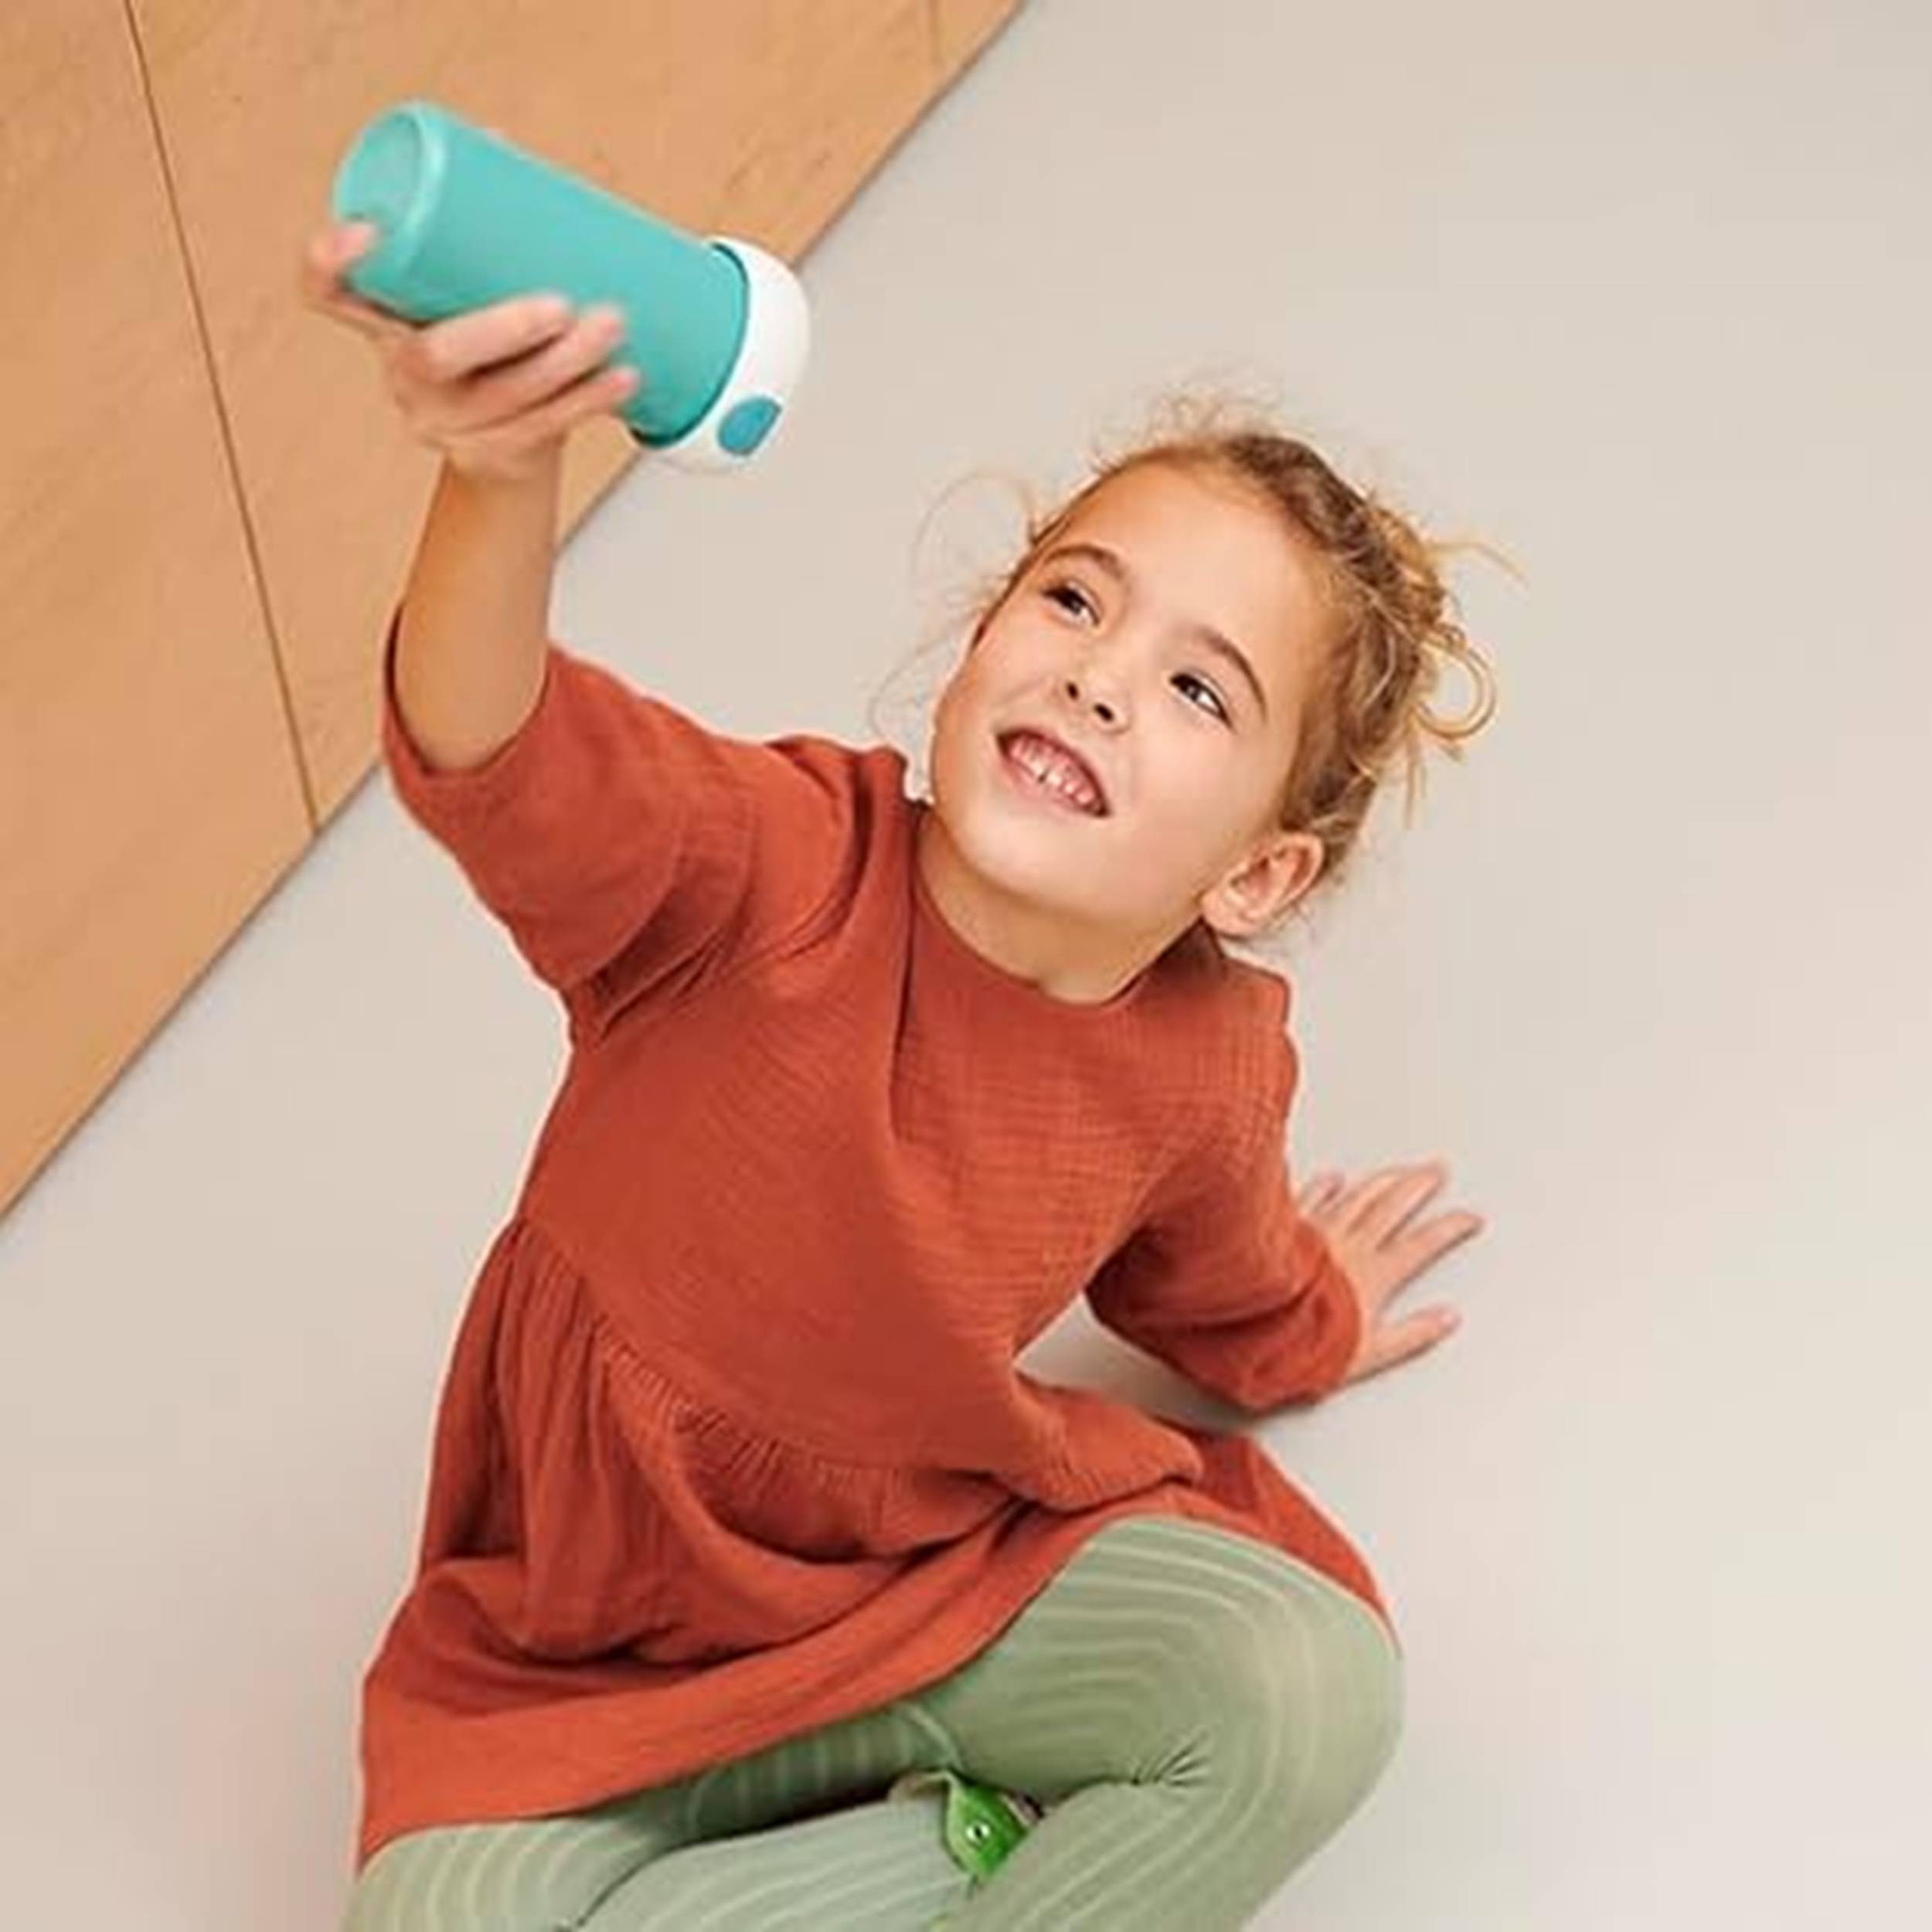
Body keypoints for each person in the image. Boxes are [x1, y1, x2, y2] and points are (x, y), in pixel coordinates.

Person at [301, 216, 1499, 1930]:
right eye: (1075, 598)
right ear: (977, 641)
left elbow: (1217, 1275)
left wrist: (1315, 1317)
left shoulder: (1203, 1059)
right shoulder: (764, 867)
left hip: (920, 1586)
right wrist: (498, 478)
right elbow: (498, 742)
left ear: (1251, 877)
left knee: (1309, 1688)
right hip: (582, 1659)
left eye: (1192, 689)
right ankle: (951, 1841)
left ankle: (963, 1830)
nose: (1097, 675)